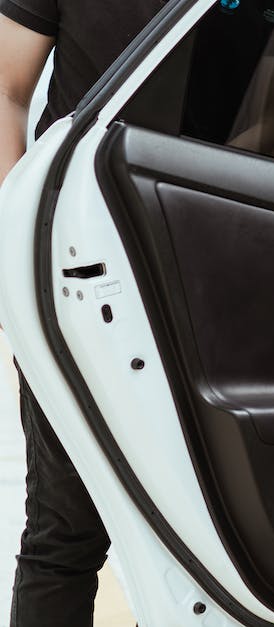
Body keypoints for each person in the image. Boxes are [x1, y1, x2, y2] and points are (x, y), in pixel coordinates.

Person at [0, 2, 168, 623]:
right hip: (75, 274)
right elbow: (4, 86)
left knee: (210, 547)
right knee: (63, 536)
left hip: (203, 277)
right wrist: (18, 255)